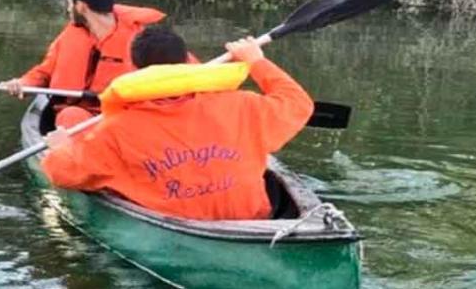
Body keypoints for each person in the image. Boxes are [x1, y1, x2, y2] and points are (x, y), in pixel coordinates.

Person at [42, 27, 314, 221]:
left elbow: (64, 174)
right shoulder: (243, 104)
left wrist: (60, 148)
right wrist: (256, 61)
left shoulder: (115, 130)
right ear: (187, 61)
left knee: (72, 120)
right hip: (252, 219)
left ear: (135, 70)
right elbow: (299, 103)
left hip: (179, 223)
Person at [1, 0, 166, 128]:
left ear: (81, 7)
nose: (67, 9)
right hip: (75, 117)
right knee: (71, 115)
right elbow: (45, 72)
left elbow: (175, 77)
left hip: (122, 119)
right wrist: (23, 83)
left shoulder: (143, 40)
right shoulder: (70, 34)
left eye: (69, 4)